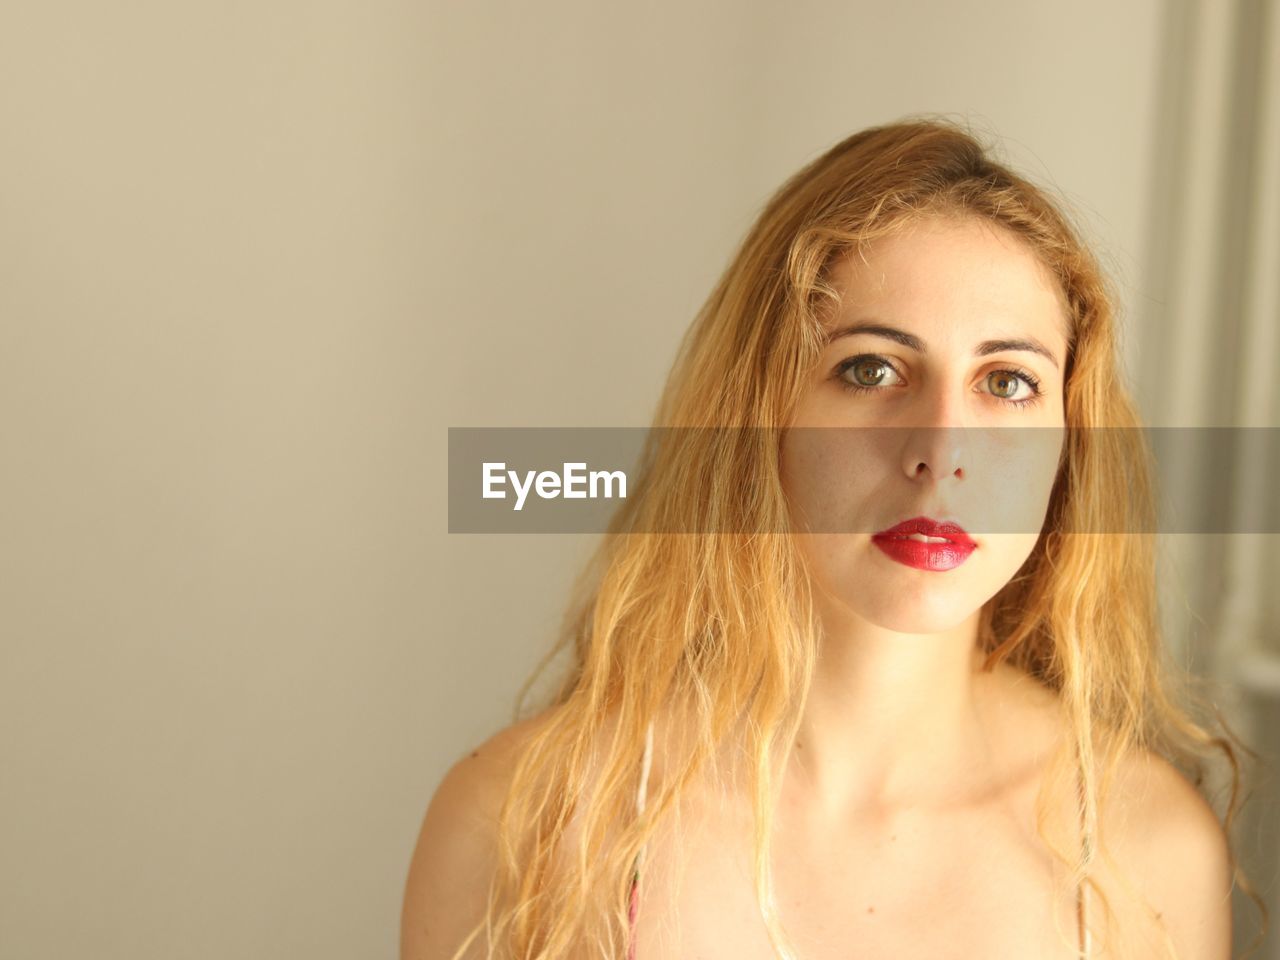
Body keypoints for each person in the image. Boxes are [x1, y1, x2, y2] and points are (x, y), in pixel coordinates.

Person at [401, 117, 1264, 959]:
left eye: (1007, 382)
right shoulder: (526, 825)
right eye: (870, 370)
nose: (939, 453)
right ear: (759, 416)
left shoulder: (1143, 857)